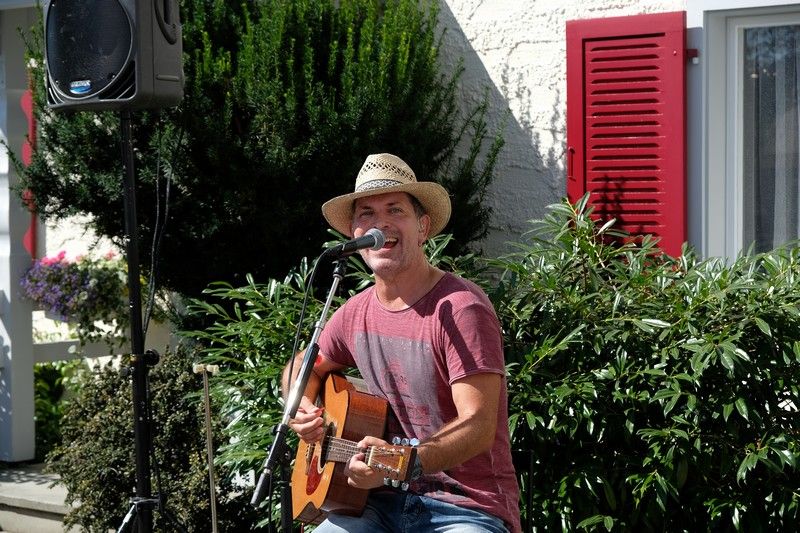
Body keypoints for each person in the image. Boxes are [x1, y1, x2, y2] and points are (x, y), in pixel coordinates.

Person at [282, 153, 521, 533]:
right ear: (355, 235)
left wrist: (399, 463)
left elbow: (477, 425)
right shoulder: (355, 313)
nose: (380, 224)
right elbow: (304, 365)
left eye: (395, 210)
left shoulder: (461, 308)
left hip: (463, 507)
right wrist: (301, 406)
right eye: (367, 214)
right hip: (372, 505)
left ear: (423, 227)